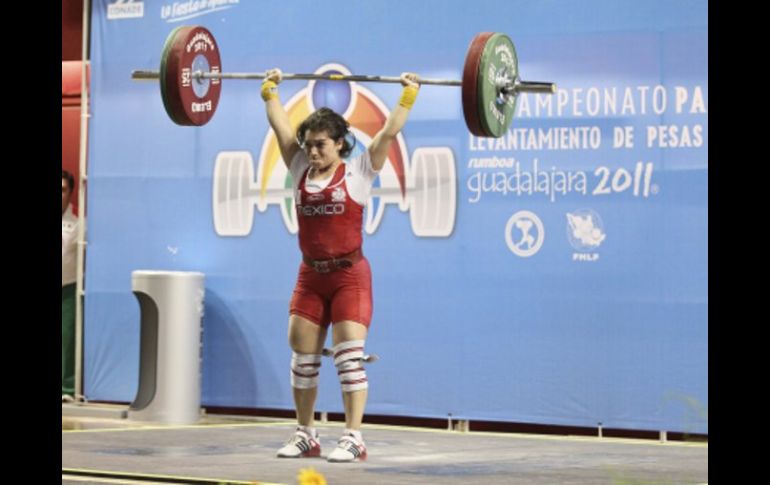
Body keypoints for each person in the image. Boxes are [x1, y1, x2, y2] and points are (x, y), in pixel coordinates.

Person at [261, 68, 420, 462]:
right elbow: (282, 130)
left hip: (350, 277)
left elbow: (388, 134)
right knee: (303, 361)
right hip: (310, 276)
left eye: (320, 146)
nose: (312, 153)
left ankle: (353, 437)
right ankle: (306, 434)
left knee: (349, 360)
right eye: (309, 146)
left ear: (340, 144)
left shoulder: (360, 171)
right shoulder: (299, 168)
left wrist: (407, 95)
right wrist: (270, 93)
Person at [62, 169, 79, 402]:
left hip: (67, 286)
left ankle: (66, 389)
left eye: (63, 190)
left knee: (66, 339)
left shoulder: (77, 224)